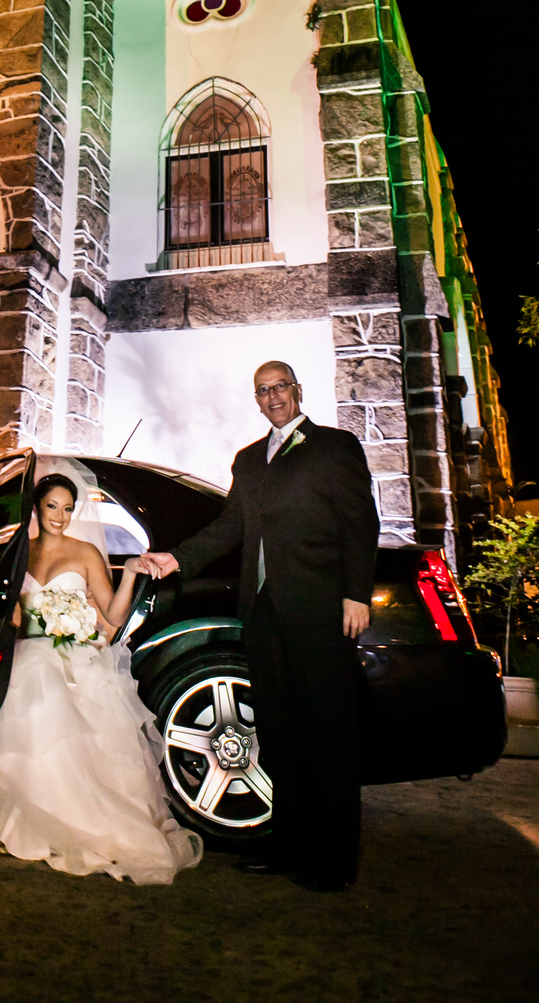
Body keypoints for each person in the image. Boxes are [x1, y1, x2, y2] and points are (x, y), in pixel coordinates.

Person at [138, 360, 380, 892]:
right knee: (280, 737)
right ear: (256, 399)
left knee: (328, 737)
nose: (272, 398)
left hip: (320, 610)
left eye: (280, 388)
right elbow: (229, 528)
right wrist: (174, 559)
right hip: (264, 613)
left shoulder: (335, 447)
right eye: (262, 392)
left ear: (297, 390)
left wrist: (355, 594)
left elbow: (361, 525)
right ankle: (288, 845)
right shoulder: (248, 460)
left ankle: (333, 860)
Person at [0, 458, 203, 884]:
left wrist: (129, 572)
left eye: (67, 508)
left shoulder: (86, 552)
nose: (60, 516)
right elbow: (13, 616)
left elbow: (111, 614)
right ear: (36, 507)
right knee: (27, 672)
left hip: (74, 658)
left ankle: (69, 817)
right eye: (52, 506)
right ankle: (4, 816)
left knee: (40, 678)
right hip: (29, 653)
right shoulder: (21, 551)